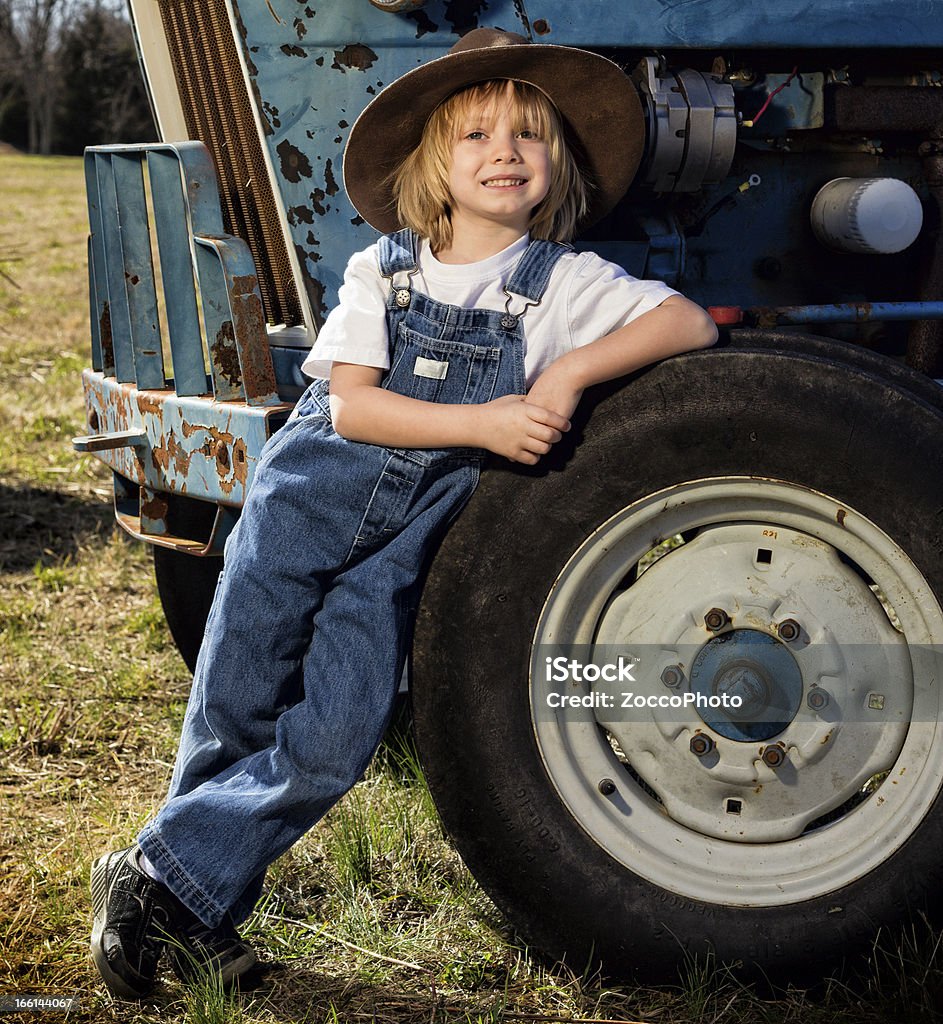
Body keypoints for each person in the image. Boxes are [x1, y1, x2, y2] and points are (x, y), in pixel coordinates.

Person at [89, 27, 718, 999]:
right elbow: (351, 406)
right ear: (435, 161)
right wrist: (487, 419)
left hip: (400, 551)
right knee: (234, 711)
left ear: (555, 165)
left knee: (336, 735)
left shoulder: (563, 287)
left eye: (527, 134)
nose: (504, 151)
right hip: (304, 511)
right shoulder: (384, 274)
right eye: (476, 134)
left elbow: (689, 320)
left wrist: (571, 370)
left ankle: (154, 885)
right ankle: (188, 910)